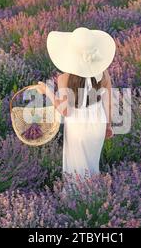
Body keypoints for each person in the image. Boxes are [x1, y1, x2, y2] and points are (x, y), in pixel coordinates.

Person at [35, 27, 116, 179]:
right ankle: (94, 195)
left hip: (77, 127)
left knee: (76, 168)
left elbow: (65, 111)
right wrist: (108, 126)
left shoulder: (64, 78)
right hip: (97, 123)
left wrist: (48, 92)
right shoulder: (103, 73)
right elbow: (109, 102)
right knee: (92, 166)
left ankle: (76, 199)